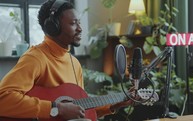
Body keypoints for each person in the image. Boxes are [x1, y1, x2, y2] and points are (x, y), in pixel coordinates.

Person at [0, 0, 132, 121]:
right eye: (73, 23)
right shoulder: (35, 58)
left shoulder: (74, 63)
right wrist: (56, 108)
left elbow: (80, 111)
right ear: (53, 27)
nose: (80, 28)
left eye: (79, 22)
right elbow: (3, 99)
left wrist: (111, 106)